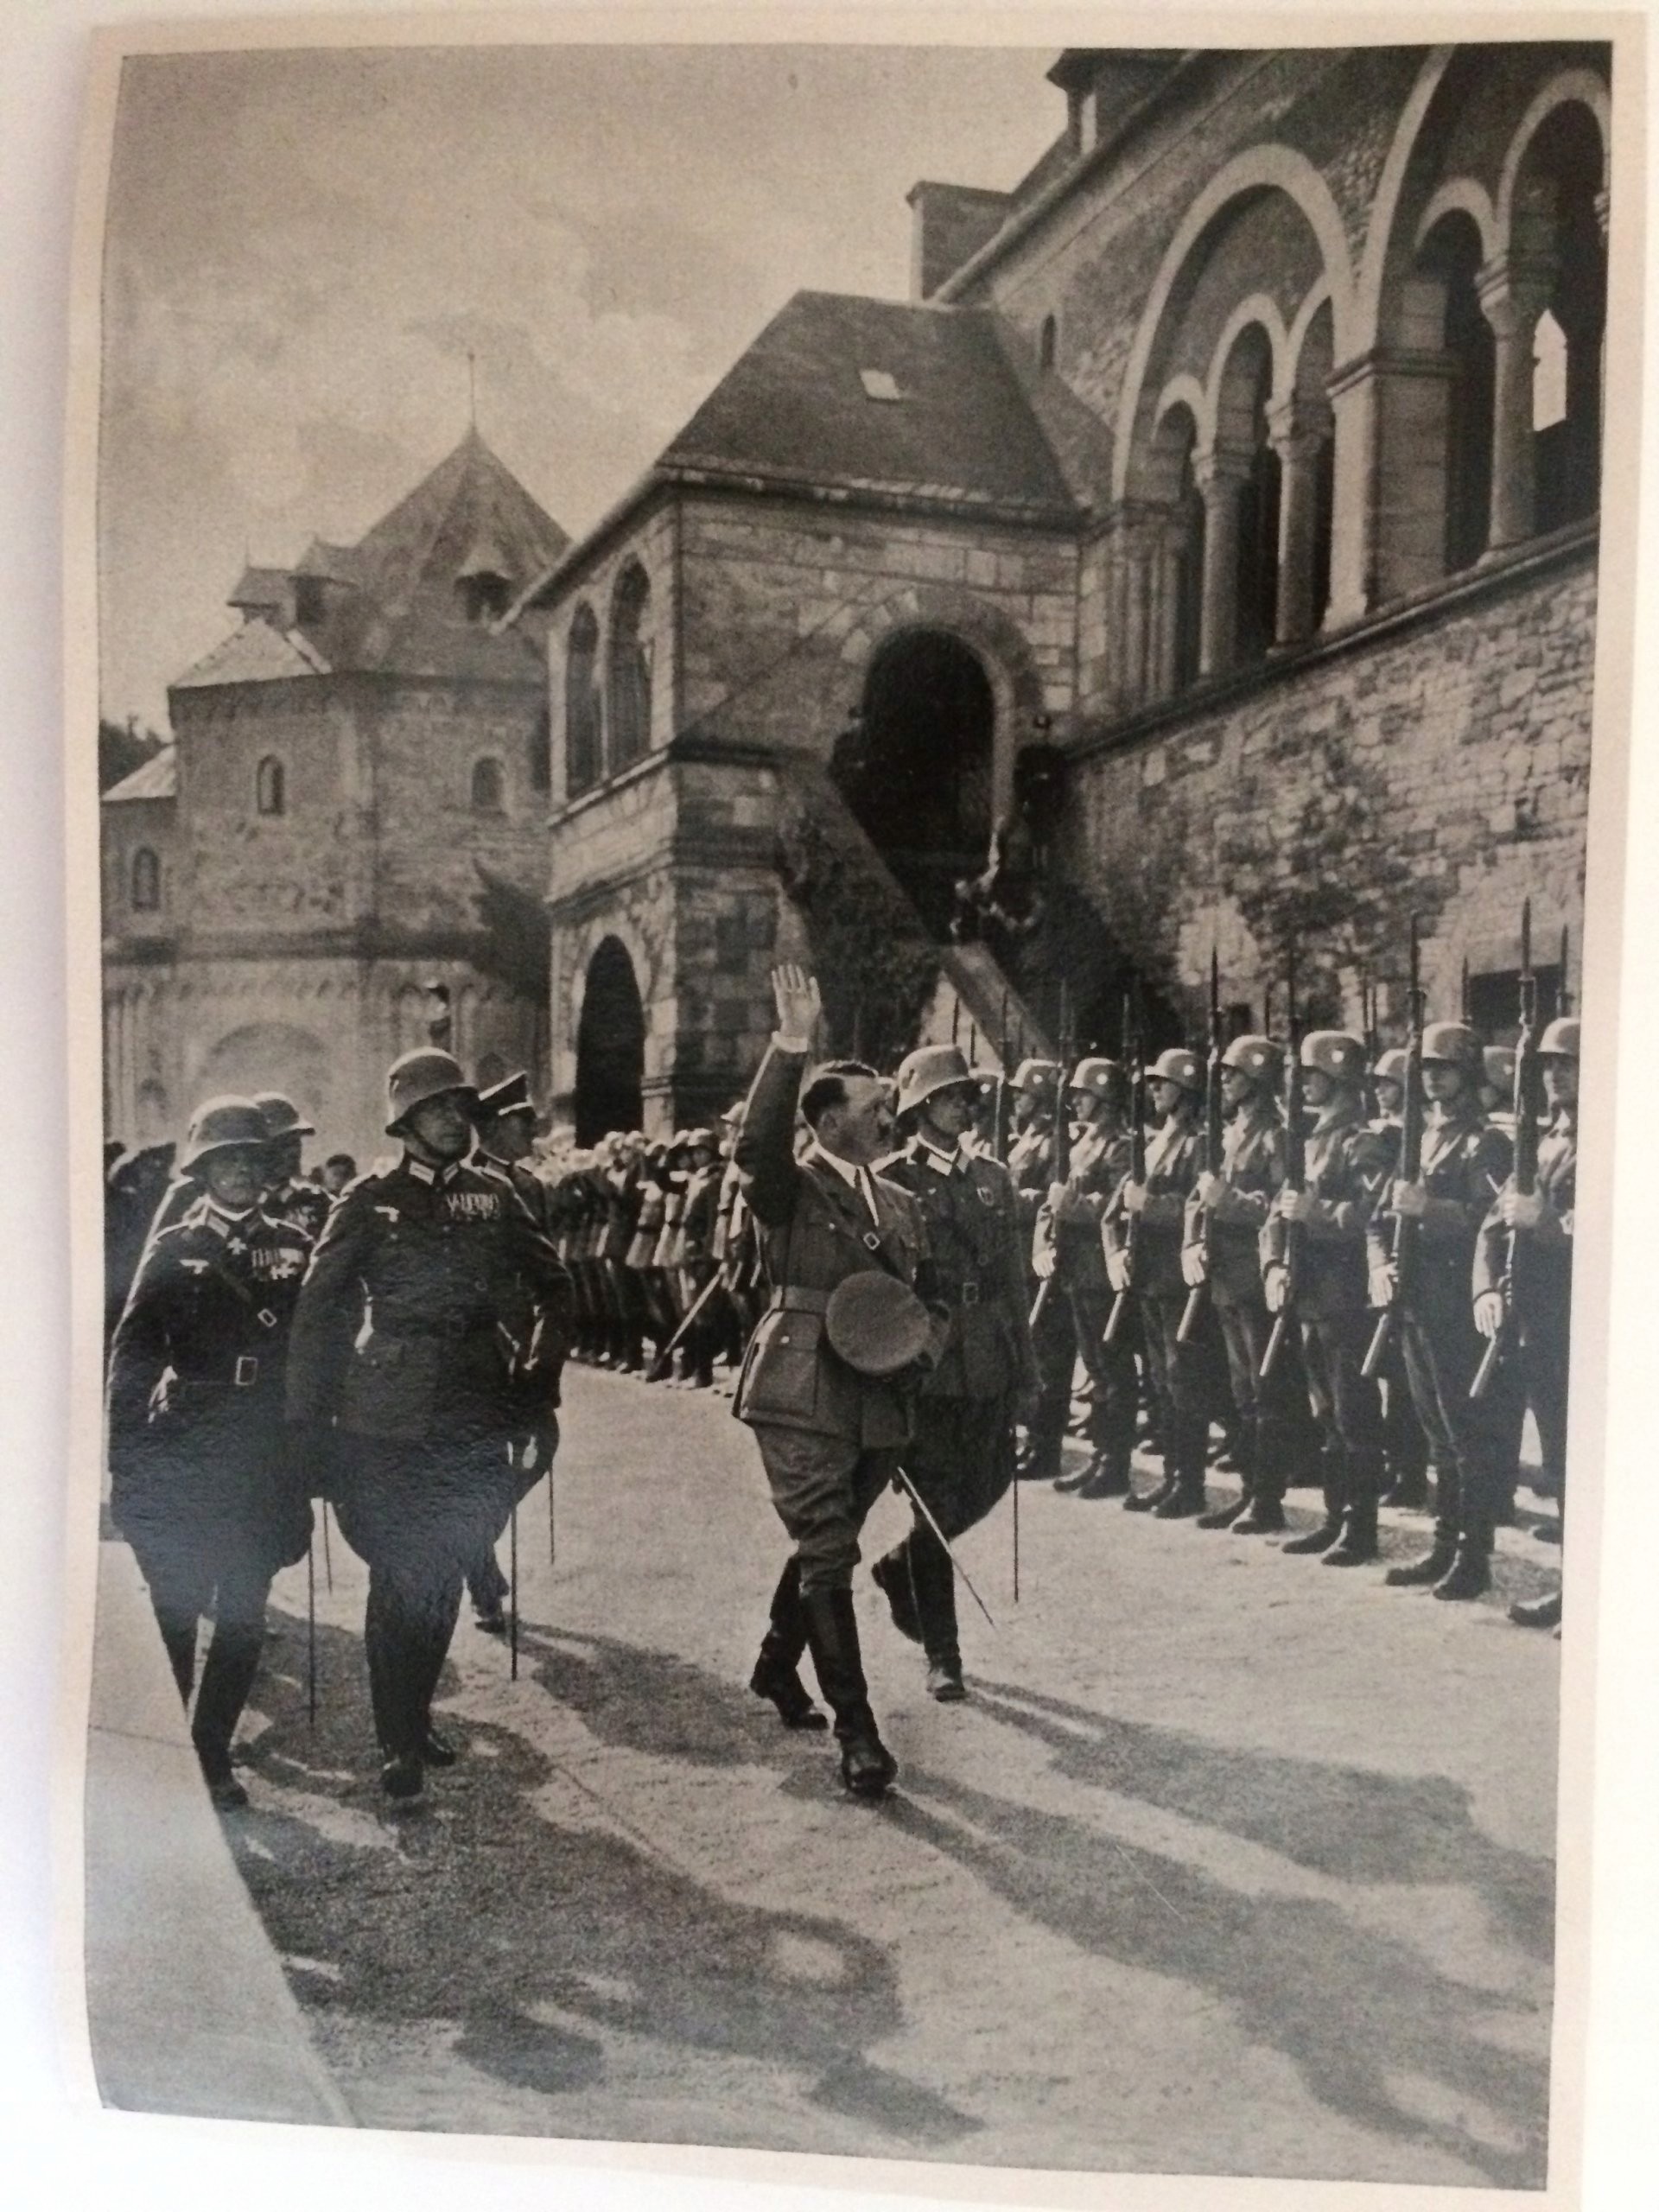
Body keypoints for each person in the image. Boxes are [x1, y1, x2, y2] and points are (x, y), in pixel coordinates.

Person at [284, 1049, 572, 1801]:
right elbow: (319, 1311)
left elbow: (557, 1289)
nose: (457, 1121)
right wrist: (309, 1423)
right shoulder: (369, 1200)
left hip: (477, 1402)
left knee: (446, 1567)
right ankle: (396, 1740)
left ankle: (414, 1714)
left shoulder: (495, 1197)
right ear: (406, 1120)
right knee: (400, 1570)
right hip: (387, 1411)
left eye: (464, 1109)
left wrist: (536, 1379)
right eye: (441, 1109)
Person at [733, 964, 947, 1797]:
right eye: (872, 1106)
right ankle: (858, 1733)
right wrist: (791, 1042)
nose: (891, 1114)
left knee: (833, 1540)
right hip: (800, 1387)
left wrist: (923, 1352)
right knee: (828, 1546)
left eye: (889, 1103)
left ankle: (775, 1666)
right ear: (825, 1121)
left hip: (875, 1390)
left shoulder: (897, 1201)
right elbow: (754, 1146)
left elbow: (919, 1298)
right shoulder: (790, 1186)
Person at [106, 1098, 315, 1809]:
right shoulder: (173, 1249)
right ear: (201, 1172)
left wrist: (314, 1447)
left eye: (252, 1160)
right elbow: (133, 1355)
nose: (241, 1172)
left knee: (246, 1613)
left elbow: (317, 1350)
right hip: (188, 1442)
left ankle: (211, 1750)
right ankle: (169, 1746)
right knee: (177, 1607)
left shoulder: (294, 1246)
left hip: (263, 1447)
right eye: (226, 1161)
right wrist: (123, 1457)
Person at [877, 1045, 1036, 1698]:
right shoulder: (892, 1181)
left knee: (994, 1476)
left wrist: (1028, 1367)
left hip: (990, 1352)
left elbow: (1014, 1279)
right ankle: (945, 1655)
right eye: (952, 1096)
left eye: (969, 1095)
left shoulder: (994, 1178)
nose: (966, 1105)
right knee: (934, 1506)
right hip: (931, 1358)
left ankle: (898, 1568)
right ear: (920, 1107)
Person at [1374, 1021, 1514, 1599]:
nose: (1433, 1076)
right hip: (1412, 1300)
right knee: (1435, 1433)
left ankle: (1471, 1557)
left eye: (1445, 1067)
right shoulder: (1421, 1135)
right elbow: (1381, 1216)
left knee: (1465, 1435)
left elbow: (1490, 1220)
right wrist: (1378, 1262)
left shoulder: (1486, 1142)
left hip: (1456, 1302)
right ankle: (1443, 1542)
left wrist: (1429, 1207)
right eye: (1427, 1068)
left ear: (1468, 1071)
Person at [1265, 1032, 1392, 1564]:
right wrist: (1273, 1261)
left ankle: (1360, 1529)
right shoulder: (1309, 1139)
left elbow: (1369, 1215)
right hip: (1311, 1295)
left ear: (1338, 1078)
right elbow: (1278, 1209)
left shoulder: (1359, 1141)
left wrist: (1314, 1214)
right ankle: (1336, 1517)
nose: (1301, 1085)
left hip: (1344, 1297)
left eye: (1311, 1075)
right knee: (1326, 1415)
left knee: (1353, 1414)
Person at [1475, 1015, 1578, 1629]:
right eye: (1546, 1065)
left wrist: (1545, 1223)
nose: (1555, 1073)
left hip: (1585, 1325)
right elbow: (1493, 1225)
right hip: (1538, 1327)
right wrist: (1486, 1286)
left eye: (1568, 1062)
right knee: (1563, 1462)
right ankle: (1577, 1586)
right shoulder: (1540, 1143)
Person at [1185, 1033, 1300, 1532]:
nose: (1225, 1081)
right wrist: (1193, 1239)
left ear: (1258, 1080)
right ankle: (1252, 1491)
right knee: (1243, 1391)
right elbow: (1198, 1197)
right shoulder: (1231, 1131)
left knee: (1265, 1388)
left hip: (1256, 1274)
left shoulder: (1276, 1135)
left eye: (1234, 1073)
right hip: (1225, 1276)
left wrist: (1226, 1199)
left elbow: (1277, 1209)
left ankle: (1267, 1501)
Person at [1107, 1046, 1217, 1517]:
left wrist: (1146, 1206)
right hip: (1150, 1276)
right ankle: (1173, 1476)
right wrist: (1118, 1249)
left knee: (1183, 1380)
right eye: (1151, 1083)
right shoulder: (1154, 1141)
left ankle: (1189, 1484)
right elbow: (1119, 1208)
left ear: (1186, 1088)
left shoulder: (1198, 1143)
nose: (1153, 1089)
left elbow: (1197, 1210)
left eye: (1162, 1082)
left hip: (1179, 1278)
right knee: (1161, 1380)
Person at [1031, 1057, 1137, 1499]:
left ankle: (1115, 1463)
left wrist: (1066, 1204)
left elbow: (1110, 1209)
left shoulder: (1121, 1147)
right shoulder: (1082, 1144)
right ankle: (1100, 1456)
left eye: (1083, 1094)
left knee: (1112, 1369)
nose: (1075, 1101)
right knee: (1093, 1367)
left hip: (1100, 1270)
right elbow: (1052, 1205)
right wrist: (1044, 1242)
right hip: (1075, 1268)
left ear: (1106, 1098)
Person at [1368, 1046, 1432, 1511]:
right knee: (1398, 1381)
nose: (1381, 1092)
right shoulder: (1391, 1136)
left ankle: (1412, 1473)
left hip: (1428, 1276)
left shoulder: (1424, 1136)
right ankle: (1401, 1467)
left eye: (1390, 1084)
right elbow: (1379, 1209)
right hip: (1391, 1270)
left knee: (1417, 1393)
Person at [253, 1093, 332, 1240]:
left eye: (296, 1142)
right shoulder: (238, 1206)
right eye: (282, 1144)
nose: (293, 1152)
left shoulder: (319, 1204)